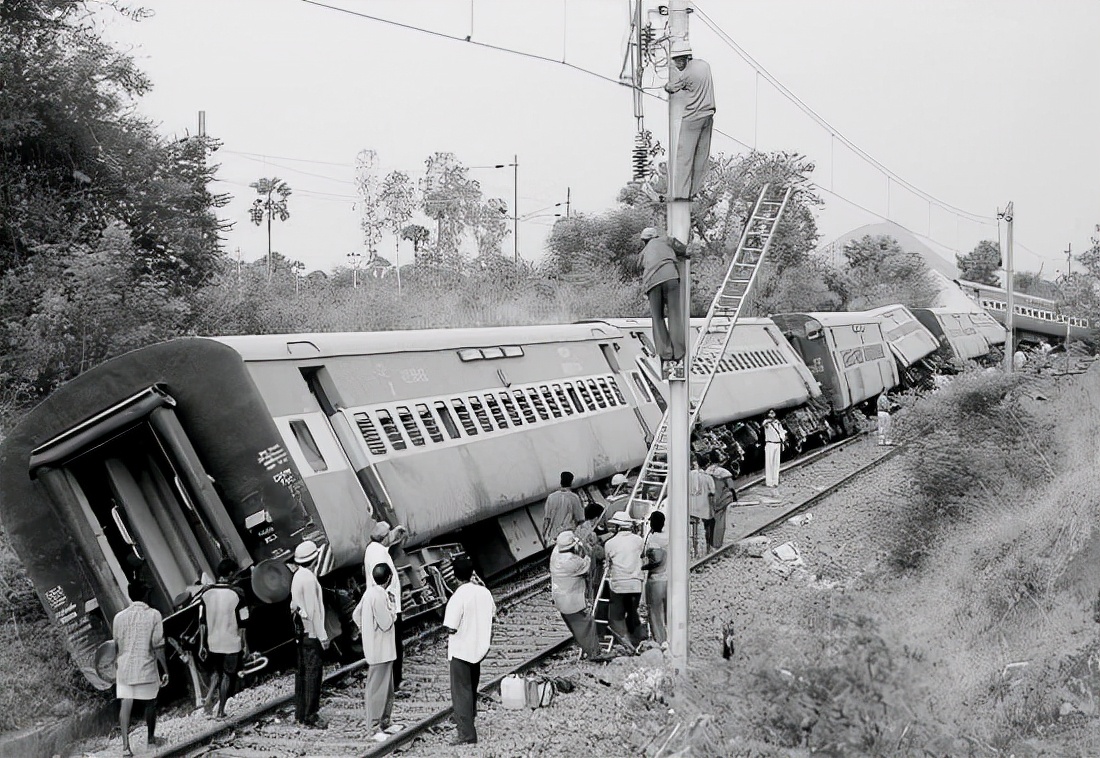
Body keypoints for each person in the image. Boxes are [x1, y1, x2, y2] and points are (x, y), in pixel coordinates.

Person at [443, 556, 496, 746]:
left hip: (461, 650)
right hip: (479, 648)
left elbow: (451, 626)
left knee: (461, 691)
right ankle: (468, 717)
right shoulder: (485, 593)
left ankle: (466, 733)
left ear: (455, 577)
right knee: (472, 687)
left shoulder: (458, 597)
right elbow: (493, 615)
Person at [113, 582, 168, 757]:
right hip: (146, 667)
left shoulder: (118, 617)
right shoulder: (154, 615)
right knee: (150, 703)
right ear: (145, 595)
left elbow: (116, 644)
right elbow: (158, 646)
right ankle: (150, 740)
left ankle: (125, 747)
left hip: (124, 668)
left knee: (125, 704)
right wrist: (165, 669)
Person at [663, 45, 715, 201]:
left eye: (679, 61)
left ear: (686, 58)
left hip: (693, 118)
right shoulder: (704, 65)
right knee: (701, 157)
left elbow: (671, 88)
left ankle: (680, 195)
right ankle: (694, 191)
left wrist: (667, 85)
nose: (677, 64)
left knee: (683, 157)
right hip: (708, 115)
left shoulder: (685, 75)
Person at [356, 563, 400, 743]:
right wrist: (393, 609)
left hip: (381, 649)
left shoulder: (369, 593)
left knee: (387, 688)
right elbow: (387, 622)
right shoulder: (380, 597)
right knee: (377, 689)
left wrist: (365, 630)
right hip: (380, 650)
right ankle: (373, 728)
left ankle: (385, 722)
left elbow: (355, 614)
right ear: (389, 578)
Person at [549, 531, 609, 661]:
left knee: (577, 626)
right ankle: (595, 653)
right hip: (570, 600)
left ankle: (588, 649)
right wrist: (586, 548)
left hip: (559, 597)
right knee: (587, 623)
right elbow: (587, 564)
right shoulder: (573, 562)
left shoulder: (555, 554)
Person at [639, 227, 689, 378]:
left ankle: (666, 356)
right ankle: (679, 355)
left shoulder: (643, 253)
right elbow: (684, 249)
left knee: (657, 318)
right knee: (675, 315)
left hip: (652, 283)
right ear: (656, 236)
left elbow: (640, 266)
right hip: (671, 278)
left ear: (644, 241)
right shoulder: (666, 240)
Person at [289, 539, 329, 729]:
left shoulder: (297, 576)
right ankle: (311, 715)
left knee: (303, 673)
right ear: (315, 558)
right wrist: (323, 636)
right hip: (311, 632)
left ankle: (301, 713)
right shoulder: (309, 578)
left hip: (301, 632)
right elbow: (313, 610)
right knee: (314, 673)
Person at [201, 559, 248, 720]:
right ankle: (220, 711)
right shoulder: (238, 593)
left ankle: (208, 701)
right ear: (229, 574)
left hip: (212, 641)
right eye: (234, 573)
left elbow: (201, 622)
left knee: (216, 673)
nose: (236, 576)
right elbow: (243, 622)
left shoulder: (206, 593)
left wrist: (202, 644)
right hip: (230, 642)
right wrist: (245, 644)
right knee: (227, 675)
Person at [365, 520, 404, 695]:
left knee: (390, 645)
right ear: (384, 537)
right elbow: (383, 583)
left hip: (384, 606)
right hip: (389, 607)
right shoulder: (379, 555)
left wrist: (395, 535)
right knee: (394, 645)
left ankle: (392, 682)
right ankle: (394, 683)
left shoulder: (372, 549)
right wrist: (391, 609)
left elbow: (386, 545)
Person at [604, 511, 645, 650]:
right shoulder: (639, 540)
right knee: (633, 611)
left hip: (619, 584)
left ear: (616, 527)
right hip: (636, 584)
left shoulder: (610, 543)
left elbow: (607, 563)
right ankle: (637, 640)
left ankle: (626, 641)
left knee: (616, 615)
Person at [641, 511, 669, 647]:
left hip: (656, 579)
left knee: (655, 612)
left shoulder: (653, 540)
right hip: (669, 579)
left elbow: (656, 560)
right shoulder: (668, 536)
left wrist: (642, 567)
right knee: (668, 611)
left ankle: (661, 641)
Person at [574, 503, 606, 602]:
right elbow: (598, 553)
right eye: (603, 516)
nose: (605, 519)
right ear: (597, 518)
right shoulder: (591, 533)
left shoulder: (579, 528)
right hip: (590, 568)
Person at [542, 471, 585, 545]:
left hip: (553, 537)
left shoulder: (551, 497)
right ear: (571, 482)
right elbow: (580, 519)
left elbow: (547, 519)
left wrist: (544, 535)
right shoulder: (574, 498)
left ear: (560, 481)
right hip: (567, 537)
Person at [706, 453, 737, 549]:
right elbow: (731, 486)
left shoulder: (707, 471)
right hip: (721, 500)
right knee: (720, 520)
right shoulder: (724, 472)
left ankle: (709, 542)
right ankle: (717, 543)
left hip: (709, 500)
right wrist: (734, 498)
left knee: (709, 521)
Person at [688, 455, 714, 554]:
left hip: (692, 507)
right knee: (708, 525)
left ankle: (694, 549)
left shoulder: (689, 475)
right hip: (704, 507)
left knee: (694, 527)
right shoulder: (708, 477)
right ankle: (708, 547)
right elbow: (713, 491)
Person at [763, 410, 786, 488]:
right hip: (770, 444)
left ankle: (775, 481)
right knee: (769, 463)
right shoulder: (766, 422)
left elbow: (781, 432)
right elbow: (764, 424)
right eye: (770, 413)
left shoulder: (777, 422)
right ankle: (769, 482)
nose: (772, 414)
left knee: (776, 463)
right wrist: (770, 421)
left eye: (773, 412)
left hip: (778, 443)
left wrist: (782, 441)